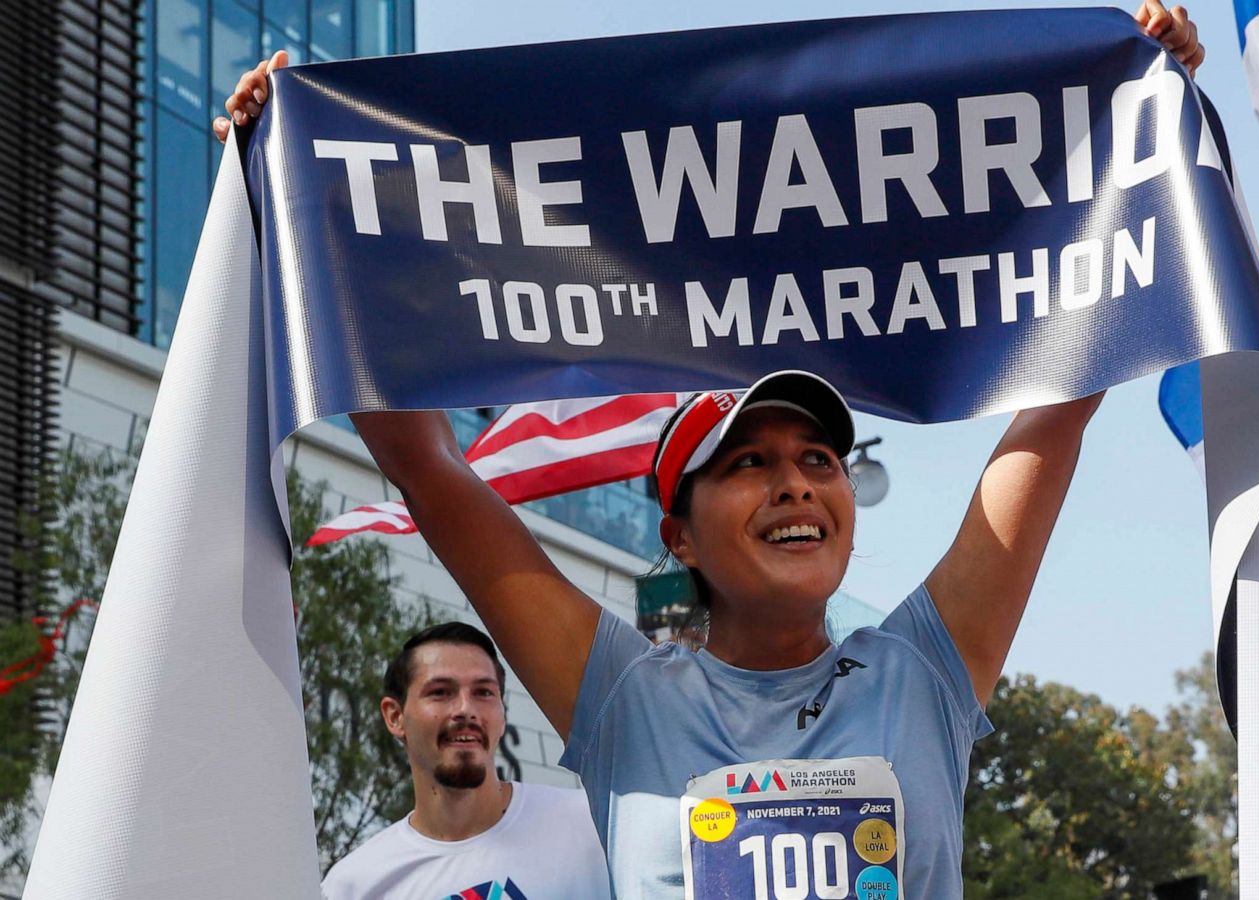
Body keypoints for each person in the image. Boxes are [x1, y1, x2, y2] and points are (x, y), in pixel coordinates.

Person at [220, 5, 1204, 897]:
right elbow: (426, 468)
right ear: (678, 537)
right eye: (748, 463)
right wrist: (288, 185)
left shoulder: (924, 670)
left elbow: (1059, 403)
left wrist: (1136, 122)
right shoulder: (619, 694)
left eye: (818, 459)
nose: (795, 484)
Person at [320, 623, 610, 900]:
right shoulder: (355, 886)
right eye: (440, 692)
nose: (466, 709)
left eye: (483, 692)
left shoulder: (592, 823)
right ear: (395, 716)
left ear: (502, 712)